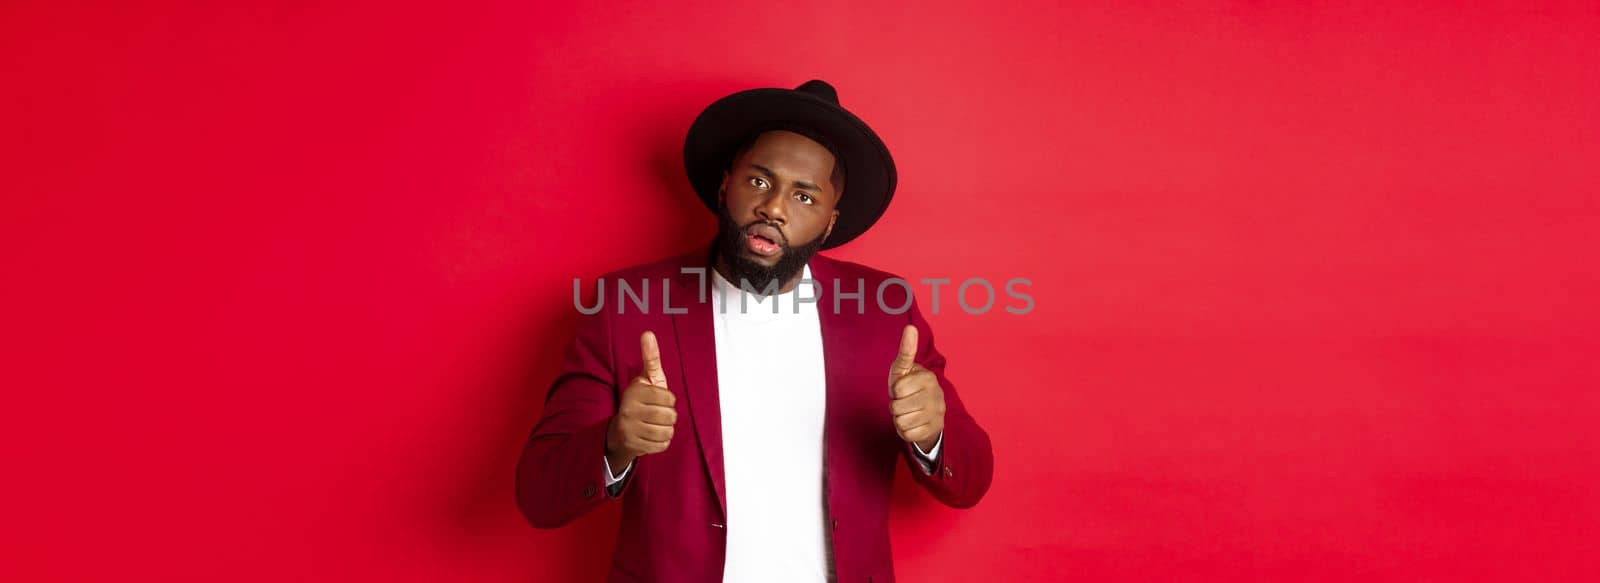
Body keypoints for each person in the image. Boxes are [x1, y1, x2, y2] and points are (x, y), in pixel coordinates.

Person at [516, 80, 994, 582]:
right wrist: (613, 444)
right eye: (760, 182)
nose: (775, 208)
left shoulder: (884, 310)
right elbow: (538, 495)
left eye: (804, 196)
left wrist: (934, 435)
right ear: (726, 186)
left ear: (830, 223)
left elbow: (971, 482)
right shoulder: (627, 306)